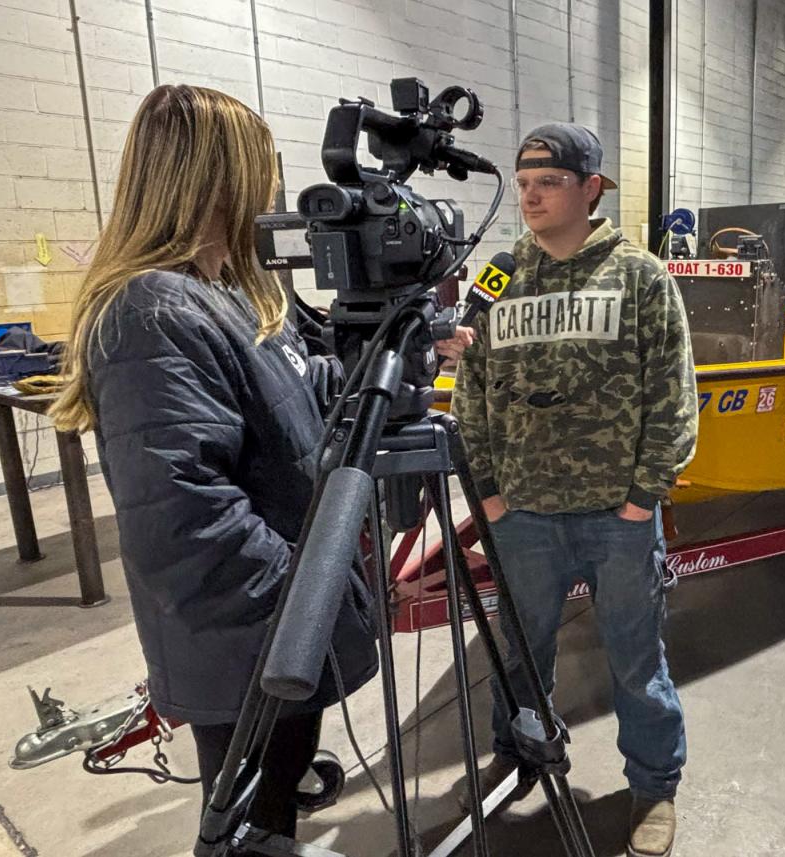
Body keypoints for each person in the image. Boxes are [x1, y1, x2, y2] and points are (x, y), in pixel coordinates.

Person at [49, 84, 472, 839]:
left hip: (274, 630)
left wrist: (400, 362)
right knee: (248, 820)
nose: (273, 189)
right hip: (251, 638)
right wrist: (307, 595)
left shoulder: (222, 294)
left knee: (276, 791)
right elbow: (187, 521)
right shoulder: (156, 311)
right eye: (260, 167)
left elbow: (300, 396)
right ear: (219, 178)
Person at [452, 123, 698, 857]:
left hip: (616, 516)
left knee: (634, 656)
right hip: (522, 513)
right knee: (517, 650)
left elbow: (672, 396)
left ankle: (653, 786)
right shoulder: (499, 278)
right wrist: (489, 492)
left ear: (590, 189)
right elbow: (472, 392)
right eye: (524, 181)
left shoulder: (639, 277)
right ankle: (522, 753)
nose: (529, 194)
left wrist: (641, 497)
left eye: (548, 181)